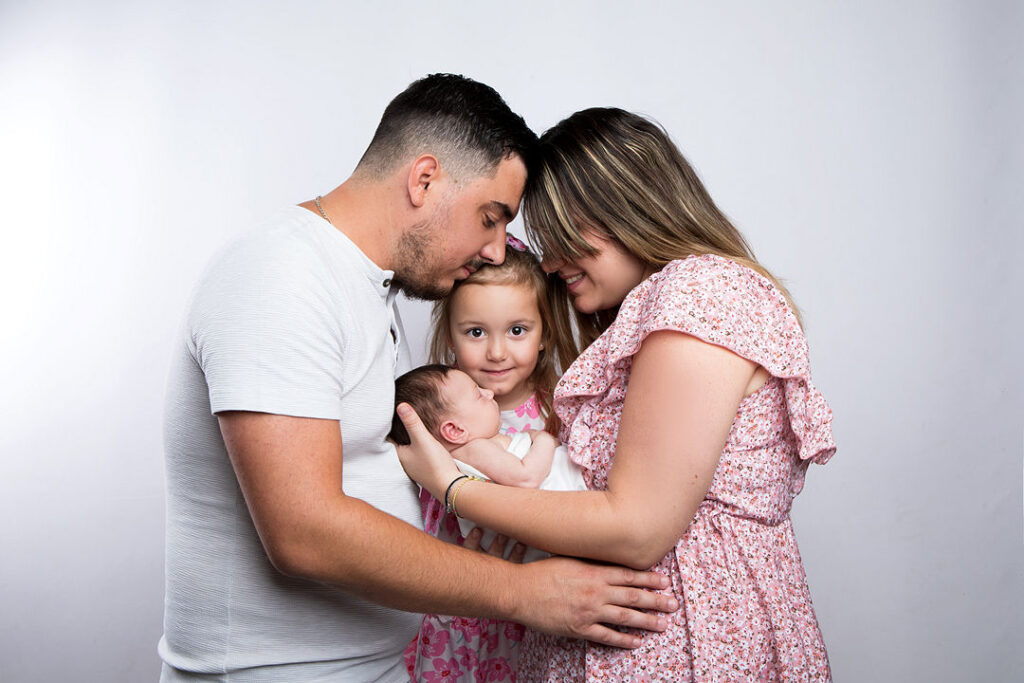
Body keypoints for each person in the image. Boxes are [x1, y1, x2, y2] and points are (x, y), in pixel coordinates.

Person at [160, 79, 677, 683]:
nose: (493, 250)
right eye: (490, 218)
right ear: (424, 179)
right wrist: (524, 592)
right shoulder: (283, 276)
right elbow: (303, 532)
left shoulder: (360, 285)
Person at [395, 107, 837, 681]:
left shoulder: (701, 293)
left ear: (619, 206)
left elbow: (636, 528)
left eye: (558, 236)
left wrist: (451, 486)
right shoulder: (651, 309)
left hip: (695, 644)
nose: (547, 262)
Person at [399, 243, 576, 680]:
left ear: (544, 336)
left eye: (517, 330)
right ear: (451, 337)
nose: (497, 352)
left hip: (534, 600)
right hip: (459, 588)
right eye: (476, 332)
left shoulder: (562, 408)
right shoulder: (435, 412)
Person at [389, 363, 586, 557]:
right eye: (478, 394)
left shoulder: (471, 455)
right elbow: (526, 477)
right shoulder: (473, 450)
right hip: (574, 509)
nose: (489, 393)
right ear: (455, 431)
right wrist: (543, 439)